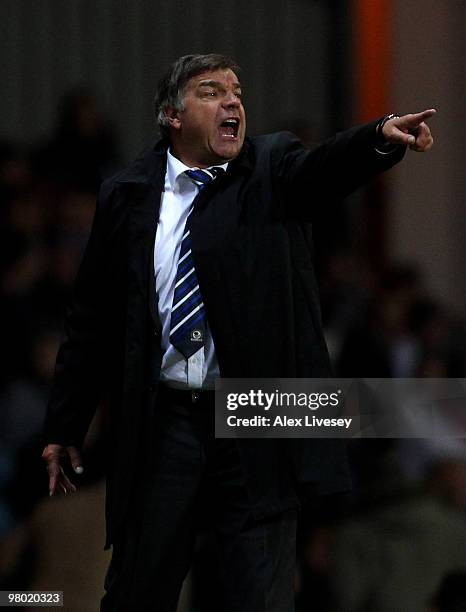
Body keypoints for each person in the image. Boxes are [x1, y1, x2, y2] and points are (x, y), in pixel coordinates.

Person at [41, 53, 435, 611]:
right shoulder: (126, 195)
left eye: (238, 92)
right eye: (211, 91)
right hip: (164, 420)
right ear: (173, 116)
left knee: (260, 596)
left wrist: (378, 137)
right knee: (137, 592)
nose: (233, 101)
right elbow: (92, 318)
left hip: (255, 415)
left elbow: (325, 167)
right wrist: (65, 423)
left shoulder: (271, 169)